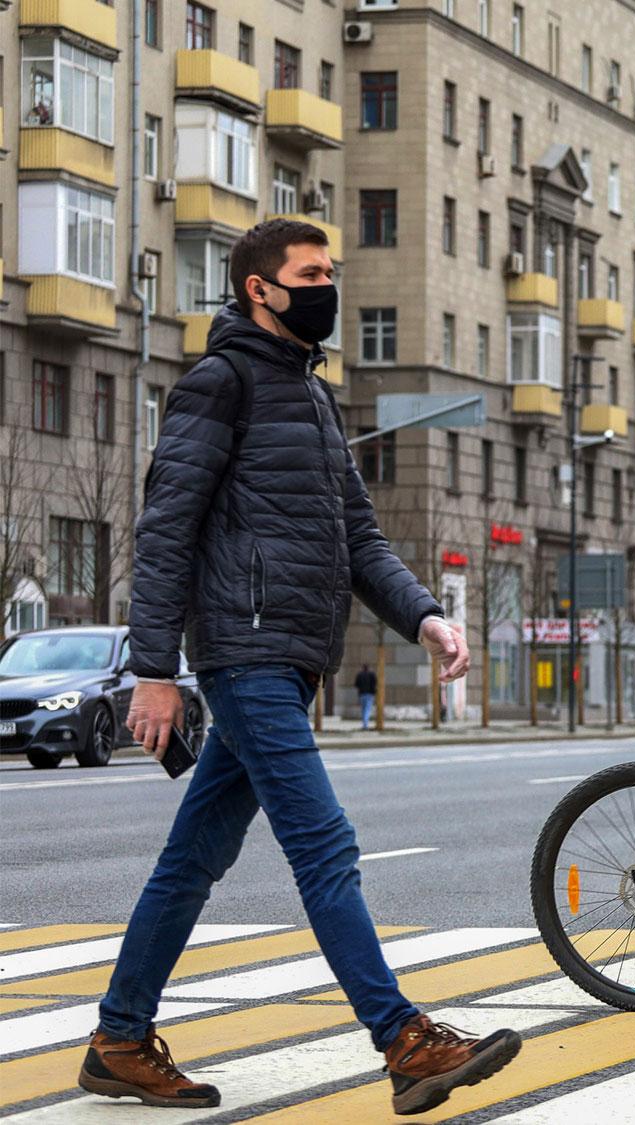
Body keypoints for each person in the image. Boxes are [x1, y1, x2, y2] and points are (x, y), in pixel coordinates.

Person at [82, 220, 520, 1116]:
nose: (328, 286)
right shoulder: (221, 382)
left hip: (288, 656)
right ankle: (403, 1039)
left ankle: (120, 1038)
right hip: (244, 654)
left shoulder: (314, 399)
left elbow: (358, 538)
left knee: (192, 859)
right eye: (311, 272)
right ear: (260, 289)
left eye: (331, 270)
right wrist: (153, 670)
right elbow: (164, 529)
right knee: (325, 844)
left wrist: (427, 616)